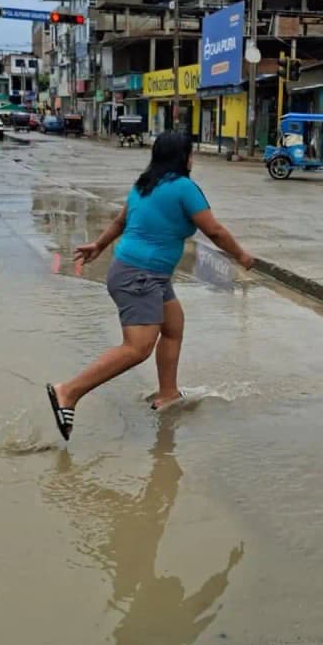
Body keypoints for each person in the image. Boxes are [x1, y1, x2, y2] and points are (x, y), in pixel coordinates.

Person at [46, 130, 254, 441]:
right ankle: (68, 392)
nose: (192, 159)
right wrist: (241, 255)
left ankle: (167, 394)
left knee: (173, 326)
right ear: (184, 158)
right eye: (190, 154)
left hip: (143, 273)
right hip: (139, 275)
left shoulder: (145, 184)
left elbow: (120, 221)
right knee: (137, 347)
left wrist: (99, 246)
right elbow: (215, 230)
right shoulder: (184, 187)